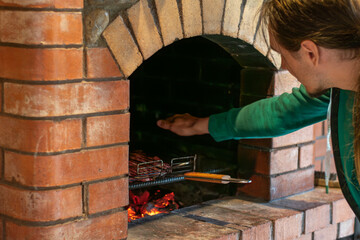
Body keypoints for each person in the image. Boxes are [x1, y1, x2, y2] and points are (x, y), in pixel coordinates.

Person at [157, 0, 360, 219]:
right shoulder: (341, 87)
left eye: (282, 53)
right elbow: (284, 113)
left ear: (310, 52)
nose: (283, 65)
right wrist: (202, 125)